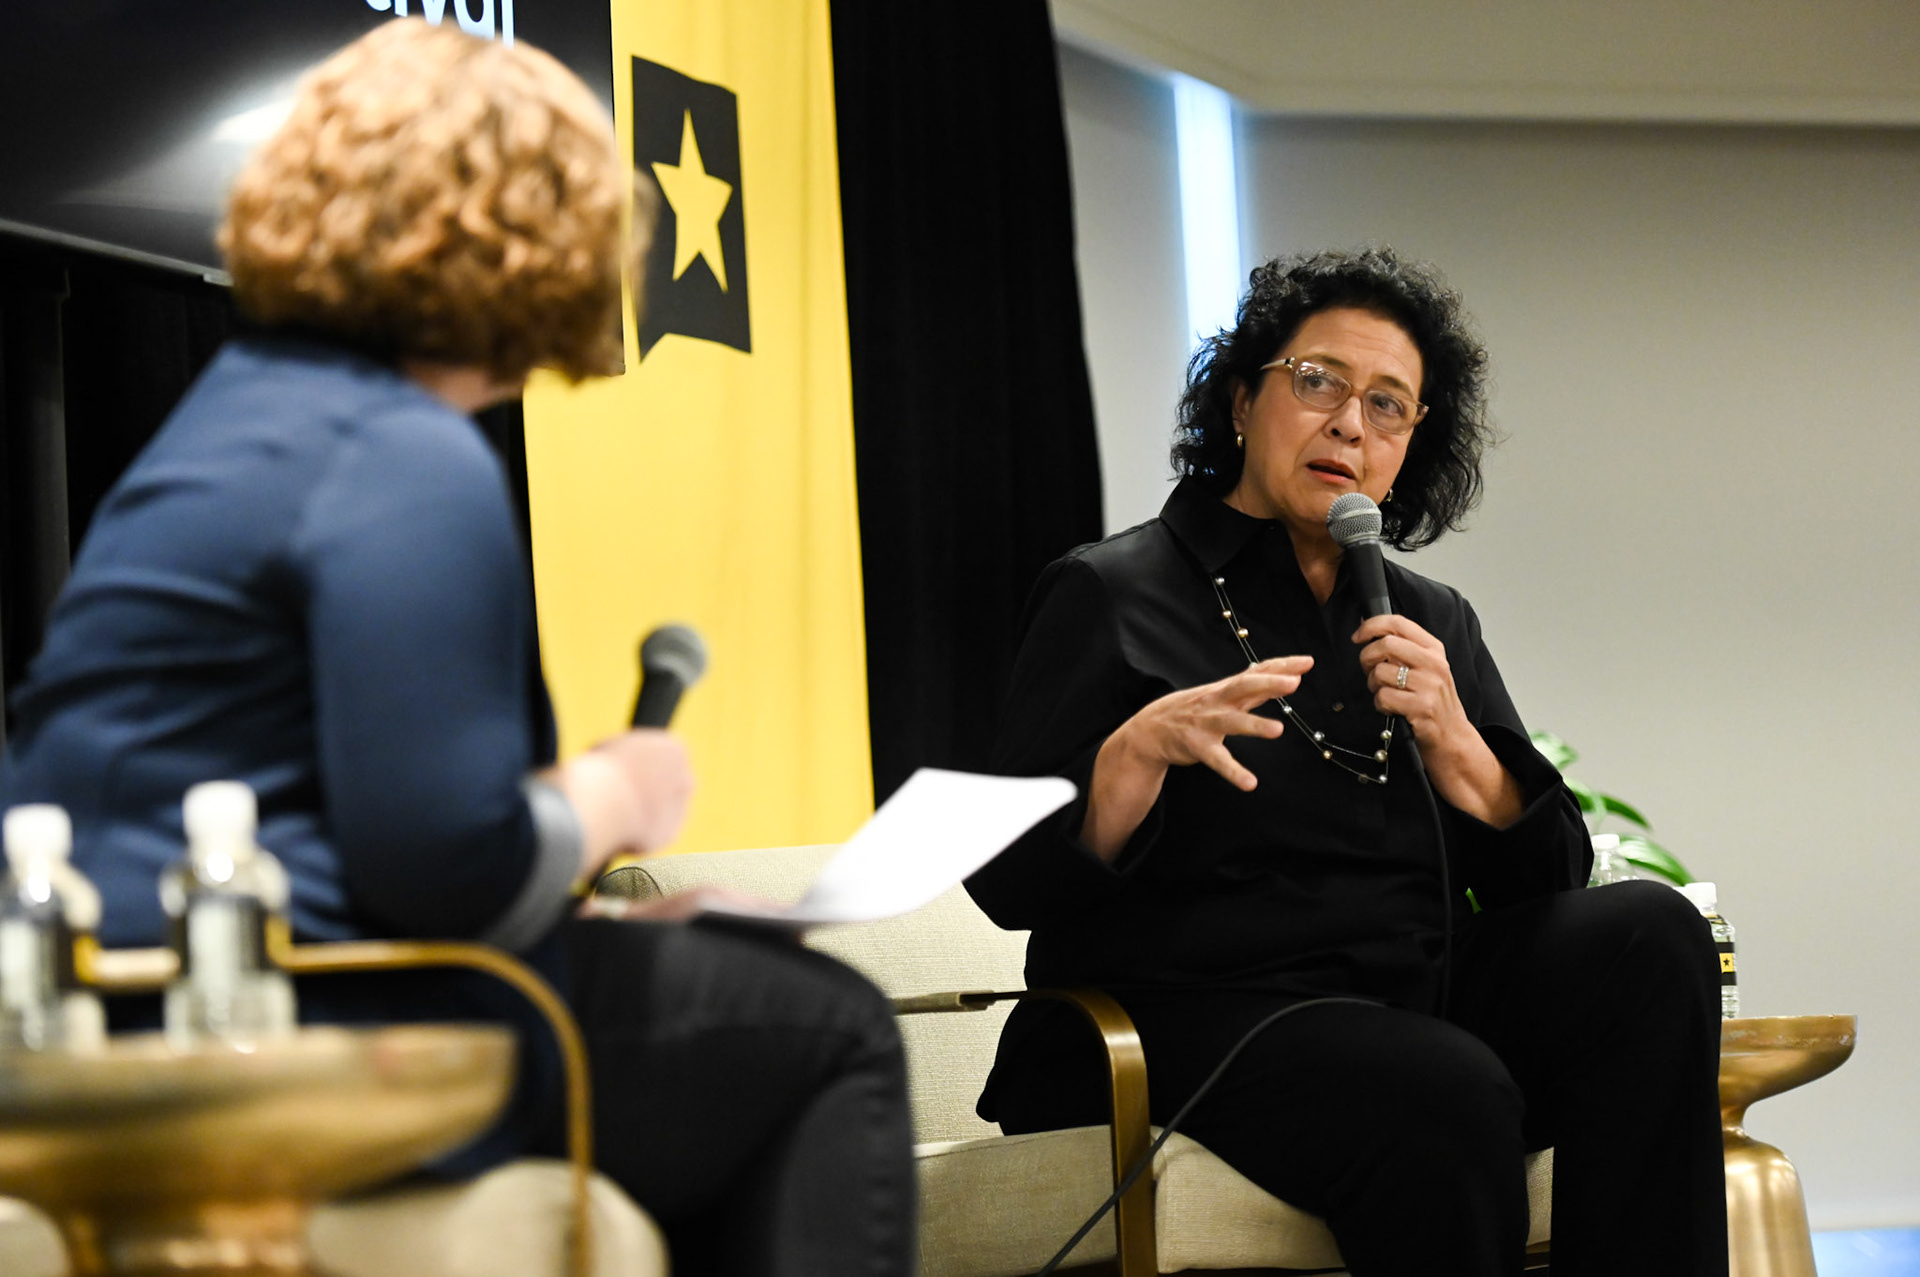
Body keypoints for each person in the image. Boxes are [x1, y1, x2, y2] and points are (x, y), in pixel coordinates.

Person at [0, 21, 914, 1277]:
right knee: (835, 1028)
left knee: (705, 1000)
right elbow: (441, 865)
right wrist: (608, 797)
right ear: (542, 234)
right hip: (288, 1024)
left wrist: (624, 929)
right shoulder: (400, 455)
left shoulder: (236, 413)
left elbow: (342, 822)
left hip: (104, 1010)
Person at [966, 248, 1727, 1276]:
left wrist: (1462, 747)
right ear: (1242, 401)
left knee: (1651, 934)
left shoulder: (1426, 619)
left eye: (1389, 404)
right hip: (1187, 1017)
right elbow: (1008, 881)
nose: (1350, 423)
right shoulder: (1111, 592)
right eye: (1317, 381)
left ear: (1410, 444)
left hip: (1402, 997)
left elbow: (1541, 878)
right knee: (1443, 1084)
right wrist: (1131, 758)